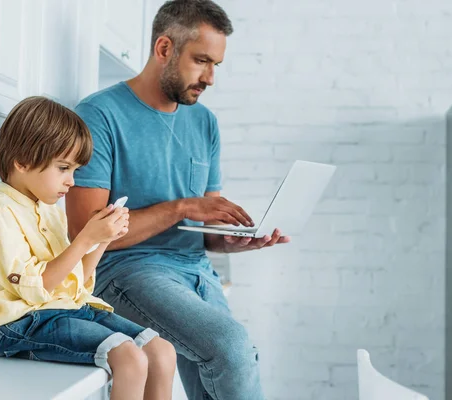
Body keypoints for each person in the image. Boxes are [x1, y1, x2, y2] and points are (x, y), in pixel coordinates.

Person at [66, 1, 290, 399]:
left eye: (216, 64)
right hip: (126, 272)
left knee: (225, 369)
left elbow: (205, 230)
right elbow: (86, 236)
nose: (210, 78)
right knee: (232, 349)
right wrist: (182, 207)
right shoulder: (98, 115)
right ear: (165, 48)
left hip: (197, 271)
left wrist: (232, 240)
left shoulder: (204, 122)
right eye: (201, 60)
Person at [0, 96, 177, 400]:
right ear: (22, 161)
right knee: (128, 357)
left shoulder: (48, 209)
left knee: (162, 351)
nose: (71, 181)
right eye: (63, 168)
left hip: (69, 310)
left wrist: (103, 239)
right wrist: (85, 239)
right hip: (18, 325)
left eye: (74, 170)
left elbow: (76, 280)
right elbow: (36, 289)